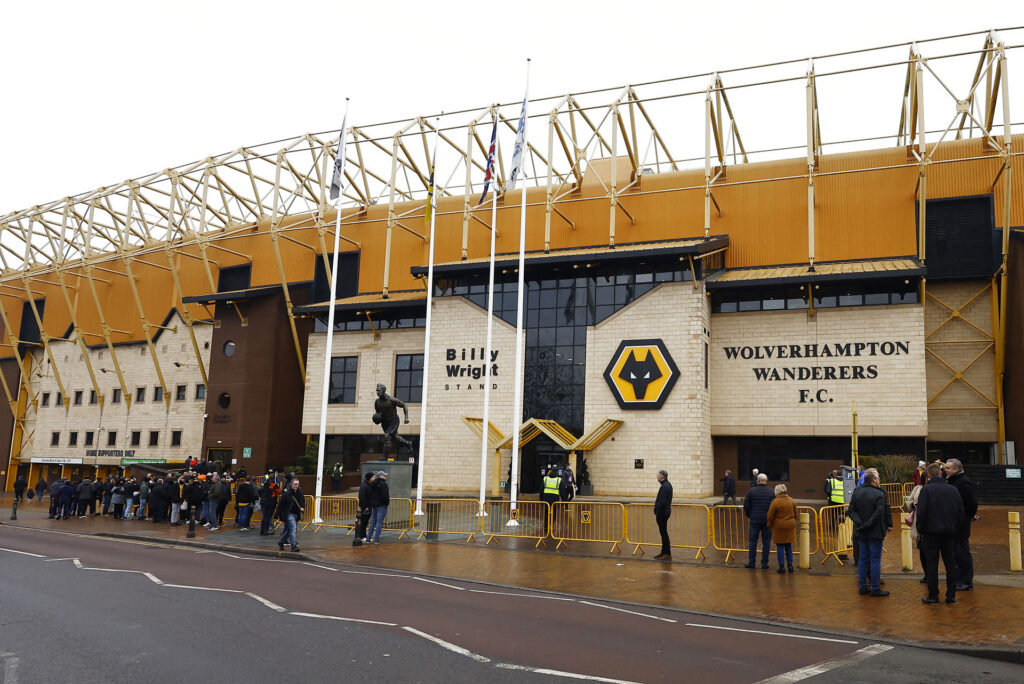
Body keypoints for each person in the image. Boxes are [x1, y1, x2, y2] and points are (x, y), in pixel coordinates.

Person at [916, 462, 964, 605]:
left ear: (929, 476)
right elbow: (960, 512)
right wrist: (955, 527)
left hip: (931, 532)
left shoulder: (927, 490)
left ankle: (933, 595)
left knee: (932, 564)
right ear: (941, 474)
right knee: (950, 564)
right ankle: (951, 595)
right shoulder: (953, 490)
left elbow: (922, 512)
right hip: (949, 532)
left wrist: (921, 531)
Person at [847, 470, 891, 597]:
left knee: (863, 559)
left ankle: (862, 586)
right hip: (875, 531)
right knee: (875, 560)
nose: (879, 480)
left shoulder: (857, 492)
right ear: (873, 480)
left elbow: (851, 511)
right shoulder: (880, 494)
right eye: (877, 478)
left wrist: (861, 524)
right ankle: (875, 587)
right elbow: (879, 512)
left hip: (861, 531)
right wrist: (868, 524)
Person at [944, 458, 977, 592]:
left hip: (960, 524)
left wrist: (966, 517)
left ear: (956, 469)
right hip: (953, 523)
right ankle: (959, 579)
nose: (945, 470)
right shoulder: (951, 481)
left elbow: (972, 504)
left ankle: (966, 581)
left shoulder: (963, 483)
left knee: (962, 552)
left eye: (948, 468)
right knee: (955, 553)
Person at [743, 473, 774, 569]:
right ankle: (764, 563)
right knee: (766, 542)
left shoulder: (751, 491)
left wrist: (749, 515)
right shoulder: (771, 492)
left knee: (752, 542)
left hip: (755, 520)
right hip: (767, 520)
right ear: (766, 481)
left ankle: (752, 562)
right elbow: (774, 507)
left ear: (758, 481)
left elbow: (746, 505)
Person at [767, 483, 797, 573]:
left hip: (779, 526)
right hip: (790, 525)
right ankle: (790, 565)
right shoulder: (791, 500)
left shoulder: (775, 501)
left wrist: (769, 524)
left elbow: (770, 516)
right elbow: (796, 514)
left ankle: (782, 567)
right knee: (788, 546)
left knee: (780, 546)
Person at [277, 478, 305, 552]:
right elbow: (280, 505)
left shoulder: (300, 492)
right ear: (291, 484)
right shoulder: (287, 493)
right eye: (295, 484)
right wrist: (277, 516)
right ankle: (293, 546)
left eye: (298, 484)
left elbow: (302, 501)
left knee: (289, 530)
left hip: (297, 514)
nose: (297, 486)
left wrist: (302, 507)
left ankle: (281, 542)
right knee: (293, 529)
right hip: (289, 514)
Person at [653, 469, 673, 561]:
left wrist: (657, 511)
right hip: (663, 512)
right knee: (663, 533)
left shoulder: (665, 486)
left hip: (662, 513)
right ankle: (664, 552)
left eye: (658, 476)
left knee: (664, 533)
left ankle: (667, 553)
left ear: (662, 477)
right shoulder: (666, 485)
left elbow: (662, 501)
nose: (657, 477)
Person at [367, 471, 390, 544]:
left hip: (374, 505)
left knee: (373, 521)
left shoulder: (373, 484)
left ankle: (368, 538)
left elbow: (371, 494)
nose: (385, 476)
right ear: (380, 476)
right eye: (384, 475)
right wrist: (387, 503)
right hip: (381, 505)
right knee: (379, 522)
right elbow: (385, 496)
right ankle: (376, 539)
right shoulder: (383, 484)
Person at [354, 471, 374, 545]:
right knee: (363, 522)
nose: (374, 478)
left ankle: (364, 535)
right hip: (366, 507)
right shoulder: (364, 486)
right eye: (373, 477)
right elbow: (362, 497)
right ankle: (362, 536)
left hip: (369, 506)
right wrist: (365, 506)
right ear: (369, 478)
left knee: (365, 522)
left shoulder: (368, 485)